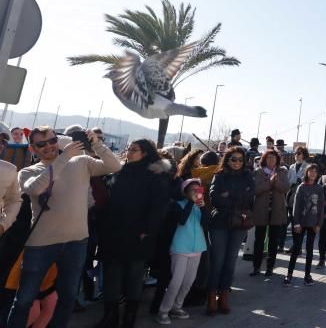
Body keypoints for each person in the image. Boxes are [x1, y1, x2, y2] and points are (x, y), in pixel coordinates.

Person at [8, 126, 120, 328]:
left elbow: (115, 165)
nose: (48, 146)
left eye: (52, 141)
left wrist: (97, 144)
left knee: (68, 297)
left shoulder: (81, 162)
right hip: (40, 245)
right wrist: (63, 157)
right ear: (33, 149)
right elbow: (35, 188)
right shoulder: (28, 172)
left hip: (76, 242)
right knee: (24, 299)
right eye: (41, 144)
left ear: (58, 140)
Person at [95, 139, 171, 328]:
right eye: (128, 148)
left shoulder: (155, 175)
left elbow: (158, 207)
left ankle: (129, 319)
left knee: (134, 278)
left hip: (138, 235)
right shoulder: (120, 170)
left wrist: (147, 230)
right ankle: (110, 318)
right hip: (113, 232)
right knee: (111, 277)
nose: (129, 152)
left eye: (134, 149)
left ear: (145, 153)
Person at [206, 147, 254, 316]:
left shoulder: (248, 176)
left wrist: (229, 195)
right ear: (227, 159)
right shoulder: (219, 175)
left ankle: (224, 294)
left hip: (239, 223)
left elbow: (250, 197)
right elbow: (214, 198)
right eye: (233, 159)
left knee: (230, 261)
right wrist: (236, 198)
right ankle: (212, 295)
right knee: (217, 260)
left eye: (240, 160)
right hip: (219, 222)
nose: (237, 163)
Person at [156, 179, 208, 325]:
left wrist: (203, 208)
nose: (196, 193)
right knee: (176, 282)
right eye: (193, 190)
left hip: (197, 248)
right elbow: (182, 221)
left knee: (188, 282)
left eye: (198, 190)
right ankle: (163, 311)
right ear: (185, 192)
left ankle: (177, 307)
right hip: (180, 248)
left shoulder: (199, 207)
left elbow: (206, 224)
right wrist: (192, 202)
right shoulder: (177, 205)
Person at [250, 149, 289, 277]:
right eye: (268, 158)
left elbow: (285, 188)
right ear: (264, 159)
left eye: (273, 158)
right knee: (259, 239)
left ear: (277, 160)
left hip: (277, 211)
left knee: (273, 241)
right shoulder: (258, 172)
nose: (271, 160)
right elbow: (255, 190)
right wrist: (269, 183)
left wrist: (276, 182)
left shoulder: (282, 171)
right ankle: (256, 267)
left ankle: (270, 268)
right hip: (261, 210)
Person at [285, 164, 322, 287]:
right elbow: (296, 207)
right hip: (300, 223)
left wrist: (319, 224)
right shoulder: (301, 187)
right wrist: (296, 223)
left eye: (315, 172)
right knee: (296, 249)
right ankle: (289, 274)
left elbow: (321, 208)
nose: (312, 174)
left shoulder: (319, 188)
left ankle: (307, 275)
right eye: (310, 171)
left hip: (313, 224)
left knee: (310, 250)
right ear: (306, 173)